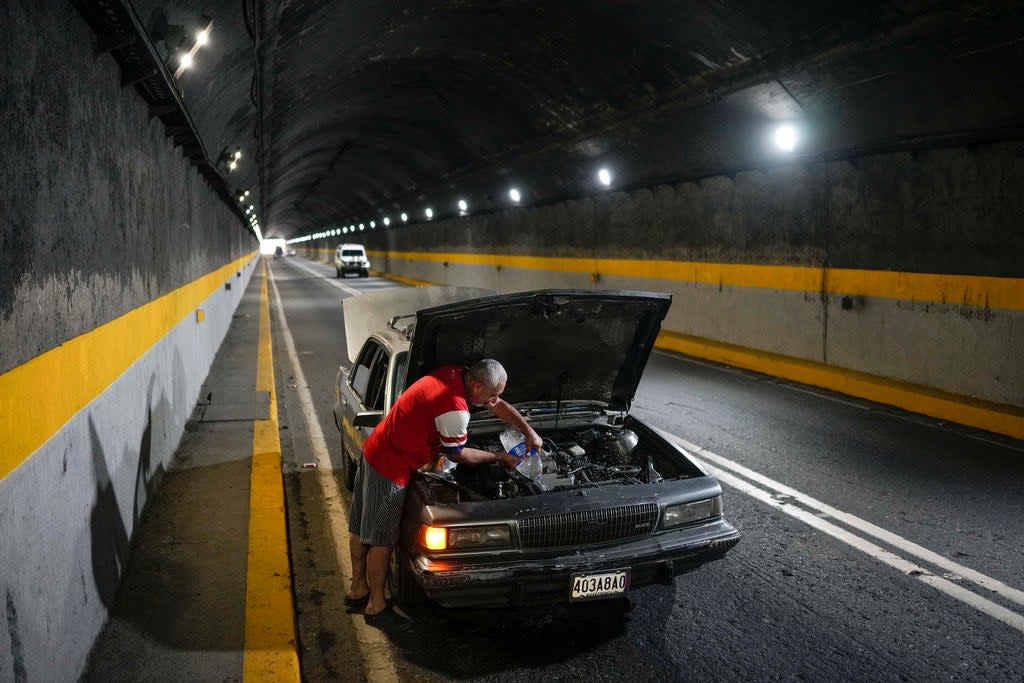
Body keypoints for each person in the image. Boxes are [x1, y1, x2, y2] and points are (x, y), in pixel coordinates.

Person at [344, 358, 541, 630]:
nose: (495, 400)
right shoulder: (455, 409)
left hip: (376, 447)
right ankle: (376, 606)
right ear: (476, 385)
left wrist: (528, 431)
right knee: (381, 540)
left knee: (359, 527)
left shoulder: (453, 373)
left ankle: (357, 590)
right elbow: (458, 455)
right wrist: (499, 456)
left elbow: (496, 405)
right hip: (390, 466)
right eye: (492, 394)